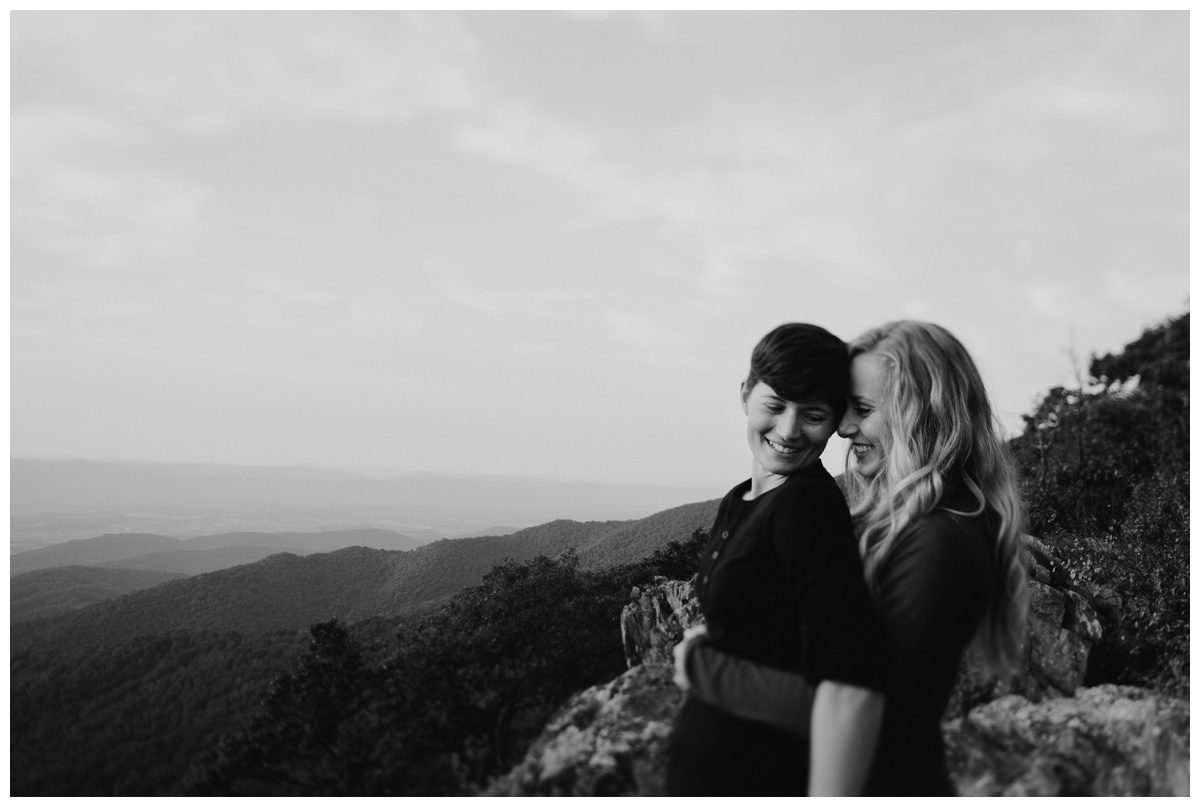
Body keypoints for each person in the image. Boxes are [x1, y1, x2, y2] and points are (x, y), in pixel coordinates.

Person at [674, 320, 1029, 795]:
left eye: (861, 409)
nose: (843, 428)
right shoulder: (916, 522)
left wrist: (707, 668)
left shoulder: (942, 541)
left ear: (919, 413)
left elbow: (873, 710)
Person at [665, 323, 886, 796]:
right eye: (774, 405)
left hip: (763, 775)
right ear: (745, 393)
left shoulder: (806, 509)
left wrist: (701, 666)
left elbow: (848, 689)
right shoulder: (739, 500)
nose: (788, 431)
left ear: (834, 422)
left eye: (813, 414)